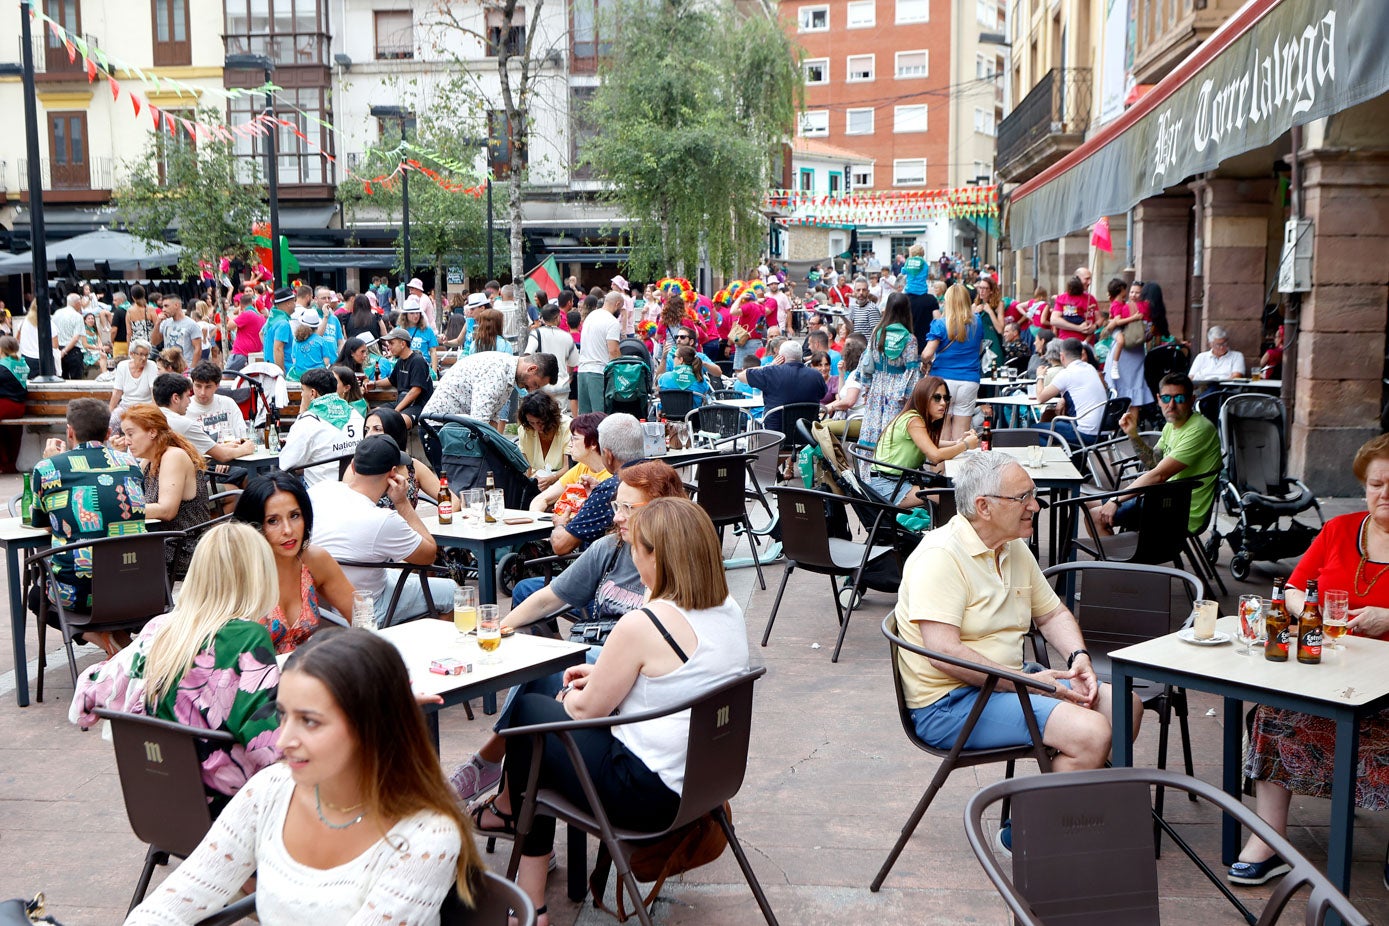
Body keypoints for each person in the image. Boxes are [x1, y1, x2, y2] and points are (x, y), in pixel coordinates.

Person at [499, 497, 749, 921]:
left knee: (530, 717)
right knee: (543, 713)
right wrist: (598, 678)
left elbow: (584, 710)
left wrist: (570, 698)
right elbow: (669, 681)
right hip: (706, 786)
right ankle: (510, 818)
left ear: (656, 556)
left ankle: (530, 898)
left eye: (638, 549)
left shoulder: (646, 622)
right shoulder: (729, 611)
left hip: (648, 795)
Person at [123, 629, 480, 925]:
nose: (282, 740)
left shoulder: (426, 835)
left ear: (372, 727)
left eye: (310, 721)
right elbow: (181, 895)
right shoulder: (271, 789)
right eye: (282, 715)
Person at [894, 450, 1140, 854]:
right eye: (1023, 497)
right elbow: (942, 653)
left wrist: (1078, 658)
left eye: (1034, 494)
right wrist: (1029, 682)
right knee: (1092, 733)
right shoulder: (941, 556)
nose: (1036, 505)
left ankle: (1071, 807)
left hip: (1007, 681)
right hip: (949, 703)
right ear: (984, 507)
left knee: (1124, 708)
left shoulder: (1011, 546)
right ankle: (1025, 834)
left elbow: (1052, 613)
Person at [452, 461, 687, 804]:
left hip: (629, 671)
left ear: (661, 511)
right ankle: (507, 794)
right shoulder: (611, 549)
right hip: (593, 655)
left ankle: (496, 776)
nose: (617, 517)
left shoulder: (674, 565)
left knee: (543, 681)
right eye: (615, 506)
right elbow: (550, 598)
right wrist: (502, 626)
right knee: (545, 672)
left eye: (627, 508)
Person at [1229, 433, 1389, 885]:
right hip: (1334, 674)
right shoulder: (1340, 530)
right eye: (1377, 483)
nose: (1385, 494)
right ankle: (1271, 839)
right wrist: (1313, 613)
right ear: (1364, 486)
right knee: (1273, 713)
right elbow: (1294, 589)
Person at [70, 522, 282, 810]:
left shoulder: (161, 629)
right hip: (226, 808)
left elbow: (84, 703)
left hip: (161, 801)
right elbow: (270, 750)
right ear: (259, 576)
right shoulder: (248, 639)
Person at [29, 398, 148, 654]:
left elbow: (41, 522)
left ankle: (100, 638)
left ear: (69, 431)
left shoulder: (48, 468)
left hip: (79, 593)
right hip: (138, 588)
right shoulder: (131, 464)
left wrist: (51, 462)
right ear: (107, 433)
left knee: (36, 595)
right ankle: (118, 638)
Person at [309, 435, 452, 626]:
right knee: (452, 592)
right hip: (368, 608)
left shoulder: (319, 490)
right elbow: (428, 555)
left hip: (323, 607)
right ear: (393, 474)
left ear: (352, 466)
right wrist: (402, 503)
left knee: (395, 574)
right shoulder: (383, 520)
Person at [233, 473, 355, 654]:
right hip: (246, 679)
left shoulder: (314, 560)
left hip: (302, 674)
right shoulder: (235, 570)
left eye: (295, 515)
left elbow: (361, 614)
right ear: (254, 525)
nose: (288, 530)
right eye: (272, 521)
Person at [1092, 373, 1221, 537]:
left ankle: (1115, 562)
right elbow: (1153, 462)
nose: (1171, 405)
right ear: (1159, 399)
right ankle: (1118, 557)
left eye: (1179, 398)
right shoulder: (1172, 424)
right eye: (1166, 398)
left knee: (1096, 515)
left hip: (1180, 511)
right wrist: (1133, 434)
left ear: (1192, 400)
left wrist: (1115, 500)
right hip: (1163, 499)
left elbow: (1158, 475)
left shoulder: (1199, 429)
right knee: (1089, 504)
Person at [120, 403, 211, 581]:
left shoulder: (173, 456)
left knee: (115, 557)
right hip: (161, 541)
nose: (126, 441)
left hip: (183, 547)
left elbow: (167, 511)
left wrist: (121, 512)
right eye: (124, 435)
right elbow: (130, 494)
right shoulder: (149, 461)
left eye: (130, 434)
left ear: (152, 432)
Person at [869, 377, 980, 506]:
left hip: (899, 480)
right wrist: (965, 445)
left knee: (957, 487)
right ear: (923, 397)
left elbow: (929, 443)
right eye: (937, 398)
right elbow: (935, 456)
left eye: (946, 398)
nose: (943, 403)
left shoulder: (914, 416)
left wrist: (957, 443)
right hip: (888, 487)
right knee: (953, 499)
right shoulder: (914, 420)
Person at [548, 412, 643, 557]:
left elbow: (561, 545)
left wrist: (560, 523)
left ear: (608, 455)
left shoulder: (610, 488)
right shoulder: (662, 474)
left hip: (606, 570)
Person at [422, 350, 557, 432]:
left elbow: (492, 419)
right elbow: (479, 421)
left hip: (449, 427)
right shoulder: (497, 373)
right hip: (437, 427)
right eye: (535, 384)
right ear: (531, 369)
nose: (531, 390)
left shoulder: (508, 373)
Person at [856, 292, 922, 454]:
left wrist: (866, 388)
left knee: (872, 432)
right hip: (897, 392)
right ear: (907, 311)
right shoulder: (909, 339)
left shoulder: (876, 333)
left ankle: (868, 472)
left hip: (877, 388)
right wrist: (910, 398)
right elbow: (912, 372)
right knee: (892, 433)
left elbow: (866, 364)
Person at [278, 368, 365, 487]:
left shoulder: (308, 421)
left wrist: (302, 413)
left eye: (303, 390)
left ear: (313, 393)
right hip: (355, 487)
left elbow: (285, 463)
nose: (302, 394)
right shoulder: (355, 413)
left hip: (320, 491)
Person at [920, 284, 982, 443]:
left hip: (943, 381)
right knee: (962, 436)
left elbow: (927, 354)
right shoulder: (977, 322)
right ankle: (960, 468)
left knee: (941, 433)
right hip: (969, 379)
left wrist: (924, 362)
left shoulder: (940, 324)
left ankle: (940, 468)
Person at [737, 340, 826, 433]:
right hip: (807, 432)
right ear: (801, 356)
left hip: (776, 434)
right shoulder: (816, 375)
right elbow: (822, 395)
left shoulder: (771, 372)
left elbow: (741, 375)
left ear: (781, 357)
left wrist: (770, 365)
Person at [1034, 337, 1109, 448]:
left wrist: (1040, 376)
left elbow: (1040, 398)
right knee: (1059, 424)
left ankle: (1060, 459)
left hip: (1085, 433)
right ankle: (1075, 461)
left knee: (1033, 429)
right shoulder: (1090, 368)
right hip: (1104, 431)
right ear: (1081, 354)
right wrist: (1064, 398)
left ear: (1062, 356)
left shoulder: (1067, 373)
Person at [529, 412, 609, 513]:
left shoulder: (612, 477)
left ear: (593, 443)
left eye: (574, 439)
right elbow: (540, 499)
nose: (570, 444)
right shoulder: (582, 467)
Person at [363, 406, 441, 510]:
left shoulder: (412, 466)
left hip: (408, 525)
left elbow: (452, 501)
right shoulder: (358, 467)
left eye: (377, 429)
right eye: (366, 430)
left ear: (394, 433)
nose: (369, 435)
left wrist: (439, 523)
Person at [1099, 278, 1155, 407]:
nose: (1133, 295)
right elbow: (1111, 325)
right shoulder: (1122, 306)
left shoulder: (1144, 307)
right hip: (1123, 352)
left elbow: (1149, 333)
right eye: (1131, 292)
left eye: (1137, 292)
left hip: (1136, 351)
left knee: (1135, 388)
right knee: (1119, 388)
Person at [367, 327, 433, 428]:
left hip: (417, 405)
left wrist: (396, 411)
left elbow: (415, 391)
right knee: (373, 415)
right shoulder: (400, 361)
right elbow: (391, 380)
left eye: (391, 343)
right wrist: (374, 383)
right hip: (400, 402)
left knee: (396, 423)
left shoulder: (417, 361)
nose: (388, 347)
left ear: (403, 344)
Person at [522, 303, 581, 410]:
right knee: (560, 418)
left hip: (542, 384)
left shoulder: (536, 334)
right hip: (562, 385)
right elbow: (573, 362)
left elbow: (527, 355)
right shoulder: (566, 336)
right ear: (557, 317)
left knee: (542, 417)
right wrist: (570, 377)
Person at [577, 292, 623, 414]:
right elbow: (613, 351)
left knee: (585, 417)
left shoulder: (590, 317)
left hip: (582, 371)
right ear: (617, 304)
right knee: (600, 416)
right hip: (598, 372)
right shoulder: (612, 322)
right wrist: (620, 372)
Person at [516, 392, 570, 488]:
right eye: (532, 423)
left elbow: (569, 466)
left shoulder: (567, 427)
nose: (537, 427)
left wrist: (553, 478)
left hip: (562, 482)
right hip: (536, 482)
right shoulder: (525, 430)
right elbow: (527, 468)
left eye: (540, 422)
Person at [823, 333, 868, 441]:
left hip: (857, 420)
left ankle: (833, 457)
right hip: (852, 418)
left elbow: (849, 401)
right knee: (820, 424)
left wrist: (831, 407)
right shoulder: (854, 373)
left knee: (819, 427)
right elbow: (842, 395)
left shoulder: (857, 374)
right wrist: (841, 374)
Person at [285, 308, 336, 382]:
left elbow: (294, 359)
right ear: (317, 326)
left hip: (298, 376)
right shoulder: (321, 340)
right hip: (317, 376)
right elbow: (326, 361)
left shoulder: (296, 340)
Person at [0, 335, 26, 471]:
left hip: (6, 406)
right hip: (20, 407)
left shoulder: (3, 367)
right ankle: (9, 464)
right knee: (12, 431)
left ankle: (4, 462)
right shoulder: (21, 364)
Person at [15, 298, 60, 377]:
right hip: (45, 361)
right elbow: (55, 346)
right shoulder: (50, 324)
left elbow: (16, 340)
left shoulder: (23, 322)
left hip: (26, 359)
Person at [1047, 276, 1096, 342]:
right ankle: (1085, 342)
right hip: (1078, 320)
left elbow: (1058, 299)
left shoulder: (1062, 298)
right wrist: (1079, 328)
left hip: (1067, 318)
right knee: (1088, 328)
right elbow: (1086, 308)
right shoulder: (1083, 299)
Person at [155, 295, 202, 362]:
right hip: (168, 365)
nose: (163, 309)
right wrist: (157, 323)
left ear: (176, 305)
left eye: (166, 306)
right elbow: (155, 342)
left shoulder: (191, 324)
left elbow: (198, 349)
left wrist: (191, 369)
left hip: (184, 366)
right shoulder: (165, 323)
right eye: (163, 306)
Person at [52, 292, 86, 380]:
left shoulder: (57, 313)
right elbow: (75, 338)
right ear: (77, 303)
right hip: (72, 351)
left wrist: (60, 352)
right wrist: (64, 351)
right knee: (76, 381)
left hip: (58, 349)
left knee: (61, 379)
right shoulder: (77, 316)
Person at [229, 291, 265, 371]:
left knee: (227, 377)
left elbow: (229, 326)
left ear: (240, 305)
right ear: (252, 303)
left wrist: (239, 313)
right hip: (256, 352)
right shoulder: (261, 316)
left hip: (241, 352)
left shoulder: (247, 314)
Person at [400, 301, 441, 368]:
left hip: (423, 365)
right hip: (405, 365)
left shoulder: (428, 330)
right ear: (405, 315)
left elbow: (433, 352)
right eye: (412, 313)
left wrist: (434, 372)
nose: (416, 316)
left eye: (417, 313)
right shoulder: (399, 330)